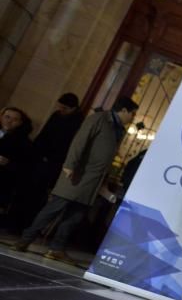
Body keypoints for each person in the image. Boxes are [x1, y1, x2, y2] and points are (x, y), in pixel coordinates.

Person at [13, 96, 137, 263]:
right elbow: (80, 141)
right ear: (123, 110)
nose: (133, 118)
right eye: (133, 114)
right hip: (78, 175)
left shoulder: (118, 127)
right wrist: (70, 165)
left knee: (75, 216)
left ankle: (56, 249)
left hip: (93, 180)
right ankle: (24, 240)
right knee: (54, 209)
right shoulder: (99, 119)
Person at [6, 93, 83, 232]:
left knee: (37, 197)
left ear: (73, 108)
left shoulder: (78, 122)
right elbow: (44, 134)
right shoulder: (56, 115)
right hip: (38, 160)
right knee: (24, 192)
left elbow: (69, 145)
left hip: (53, 165)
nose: (61, 110)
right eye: (60, 107)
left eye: (65, 108)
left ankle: (24, 225)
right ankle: (12, 221)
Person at [0, 107, 33, 210]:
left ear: (20, 123)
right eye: (7, 117)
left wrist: (9, 163)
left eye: (14, 120)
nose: (9, 121)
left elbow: (25, 169)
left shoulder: (24, 143)